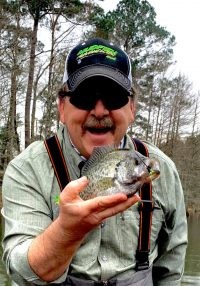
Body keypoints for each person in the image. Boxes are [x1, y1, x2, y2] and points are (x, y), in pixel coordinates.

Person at [1, 38, 187, 286]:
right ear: (61, 106)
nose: (99, 111)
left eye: (114, 96)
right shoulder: (26, 169)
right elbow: (20, 270)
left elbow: (172, 268)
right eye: (84, 96)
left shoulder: (160, 168)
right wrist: (67, 231)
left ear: (132, 107)